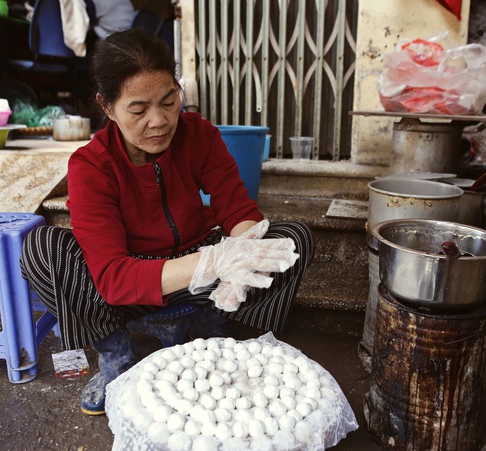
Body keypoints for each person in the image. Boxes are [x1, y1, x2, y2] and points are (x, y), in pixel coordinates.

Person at [20, 28, 314, 416]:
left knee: (293, 239)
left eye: (169, 101)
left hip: (202, 282)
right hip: (133, 287)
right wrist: (210, 263)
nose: (159, 122)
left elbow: (239, 211)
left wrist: (240, 259)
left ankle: (217, 322)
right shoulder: (91, 165)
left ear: (179, 91)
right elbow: (111, 277)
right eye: (139, 110)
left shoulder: (200, 135)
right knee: (42, 249)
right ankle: (117, 355)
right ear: (107, 107)